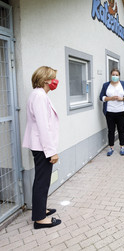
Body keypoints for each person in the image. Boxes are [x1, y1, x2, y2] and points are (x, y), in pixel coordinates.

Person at [22, 66, 61, 229]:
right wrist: (52, 152)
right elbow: (43, 126)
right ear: (46, 80)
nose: (55, 81)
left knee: (41, 180)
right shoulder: (39, 96)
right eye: (53, 78)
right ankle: (39, 219)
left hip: (40, 145)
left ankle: (40, 209)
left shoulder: (39, 95)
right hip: (42, 146)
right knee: (42, 181)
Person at [99, 68, 124, 156]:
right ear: (111, 75)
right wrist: (110, 98)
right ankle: (111, 148)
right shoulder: (106, 85)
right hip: (109, 112)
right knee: (111, 130)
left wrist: (123, 98)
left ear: (119, 76)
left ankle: (122, 147)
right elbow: (101, 97)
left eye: (116, 75)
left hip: (121, 111)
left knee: (121, 130)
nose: (115, 76)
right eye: (113, 75)